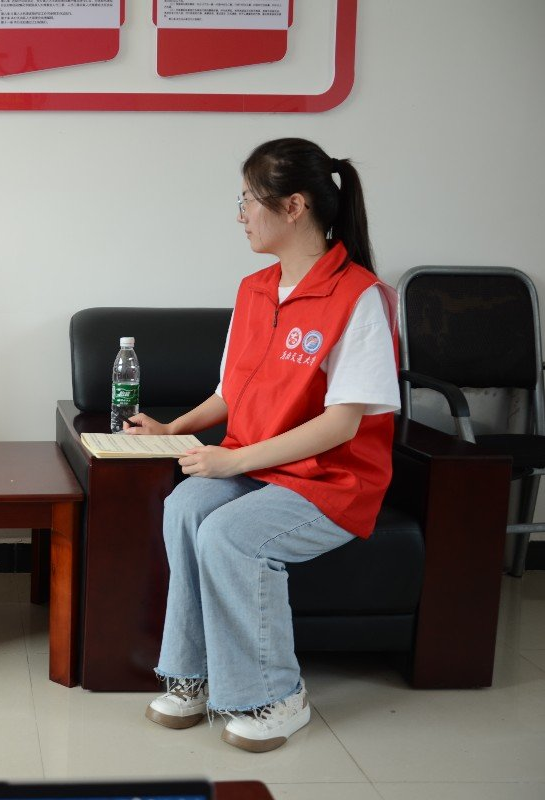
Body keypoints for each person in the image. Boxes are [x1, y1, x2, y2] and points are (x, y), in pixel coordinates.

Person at [124, 138, 399, 753]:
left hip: (331, 479)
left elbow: (343, 425)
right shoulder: (254, 289)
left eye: (248, 200)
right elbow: (231, 390)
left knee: (230, 533)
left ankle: (278, 694)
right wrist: (172, 430)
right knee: (184, 506)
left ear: (294, 205)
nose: (241, 215)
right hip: (261, 467)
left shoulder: (360, 297)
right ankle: (193, 674)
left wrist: (232, 459)